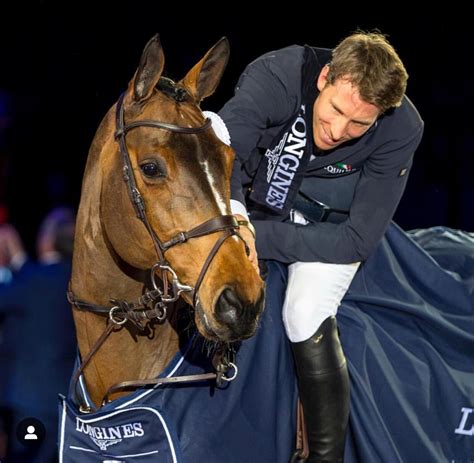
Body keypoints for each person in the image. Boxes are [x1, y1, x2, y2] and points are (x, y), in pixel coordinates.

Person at [218, 31, 423, 462]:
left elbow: (357, 239)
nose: (338, 131)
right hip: (252, 206)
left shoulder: (403, 126)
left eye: (359, 125)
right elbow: (223, 150)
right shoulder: (277, 74)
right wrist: (238, 223)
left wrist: (259, 237)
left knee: (303, 311)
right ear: (325, 77)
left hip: (331, 229)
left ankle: (325, 456)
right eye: (336, 110)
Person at [0, 207, 76, 463]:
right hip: (67, 404)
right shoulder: (74, 282)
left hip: (31, 406)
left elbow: (11, 293)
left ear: (48, 239)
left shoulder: (33, 280)